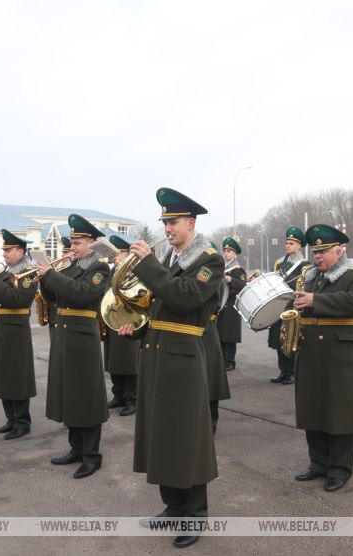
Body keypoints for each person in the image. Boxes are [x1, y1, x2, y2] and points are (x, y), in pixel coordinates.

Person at [119, 187, 222, 549]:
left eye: (173, 222)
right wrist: (139, 329)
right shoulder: (170, 259)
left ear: (191, 223)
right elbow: (160, 310)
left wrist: (147, 264)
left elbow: (183, 297)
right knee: (161, 436)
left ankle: (195, 514)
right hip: (158, 353)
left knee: (187, 439)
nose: (167, 229)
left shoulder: (209, 261)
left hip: (184, 358)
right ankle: (173, 507)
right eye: (164, 222)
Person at [292, 224, 353, 492]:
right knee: (313, 408)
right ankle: (318, 463)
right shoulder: (311, 276)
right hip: (312, 351)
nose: (318, 256)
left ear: (340, 251)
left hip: (342, 354)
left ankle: (339, 469)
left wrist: (315, 301)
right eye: (315, 251)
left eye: (324, 251)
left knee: (340, 412)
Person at [39, 214, 110, 478]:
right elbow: (52, 297)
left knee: (86, 397)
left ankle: (92, 455)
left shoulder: (99, 269)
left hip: (83, 338)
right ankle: (76, 448)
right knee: (70, 394)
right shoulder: (69, 267)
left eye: (78, 243)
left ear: (91, 243)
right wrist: (43, 278)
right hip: (64, 335)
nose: (73, 247)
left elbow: (82, 294)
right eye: (71, 242)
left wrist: (52, 276)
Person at [0, 229, 38, 440]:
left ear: (20, 251)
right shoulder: (6, 271)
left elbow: (17, 299)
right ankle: (11, 419)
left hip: (15, 330)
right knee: (3, 374)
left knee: (16, 375)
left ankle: (22, 421)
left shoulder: (28, 273)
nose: (4, 254)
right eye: (4, 250)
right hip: (0, 327)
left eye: (8, 250)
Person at [104, 235, 140, 417]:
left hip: (129, 320)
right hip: (114, 320)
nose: (115, 256)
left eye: (119, 252)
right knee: (114, 360)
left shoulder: (133, 270)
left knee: (129, 362)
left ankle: (132, 399)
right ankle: (118, 395)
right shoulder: (113, 270)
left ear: (127, 253)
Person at [267, 227, 308, 384]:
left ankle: (291, 372)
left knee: (290, 340)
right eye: (287, 243)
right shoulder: (279, 263)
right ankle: (283, 371)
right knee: (279, 340)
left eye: (291, 243)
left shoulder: (304, 265)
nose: (288, 246)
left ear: (299, 246)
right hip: (278, 306)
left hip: (293, 307)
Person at [204, 242, 231, 433]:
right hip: (201, 329)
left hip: (206, 329)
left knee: (210, 379)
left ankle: (211, 421)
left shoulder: (213, 275)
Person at [217, 237, 247, 371]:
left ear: (235, 253)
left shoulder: (238, 270)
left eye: (228, 251)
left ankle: (230, 361)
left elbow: (242, 285)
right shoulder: (221, 268)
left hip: (231, 306)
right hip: (221, 306)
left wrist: (230, 280)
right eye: (224, 251)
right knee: (221, 335)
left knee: (229, 335)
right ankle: (222, 360)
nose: (226, 253)